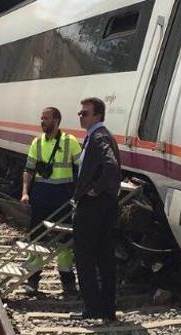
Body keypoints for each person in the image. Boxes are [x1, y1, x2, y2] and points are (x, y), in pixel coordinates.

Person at [20, 107, 82, 295]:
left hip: (63, 196)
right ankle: (33, 280)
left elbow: (82, 167)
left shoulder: (69, 141)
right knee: (37, 237)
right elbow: (29, 170)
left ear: (56, 120)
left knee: (64, 240)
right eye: (41, 118)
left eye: (45, 118)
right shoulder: (37, 142)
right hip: (41, 194)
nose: (42, 122)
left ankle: (67, 281)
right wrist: (25, 192)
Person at [71, 97, 121, 321]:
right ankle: (107, 309)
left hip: (93, 206)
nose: (81, 117)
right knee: (104, 256)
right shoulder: (99, 135)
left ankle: (92, 307)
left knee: (84, 256)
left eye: (85, 113)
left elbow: (111, 165)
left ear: (97, 116)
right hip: (105, 205)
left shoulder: (99, 136)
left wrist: (95, 189)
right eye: (80, 113)